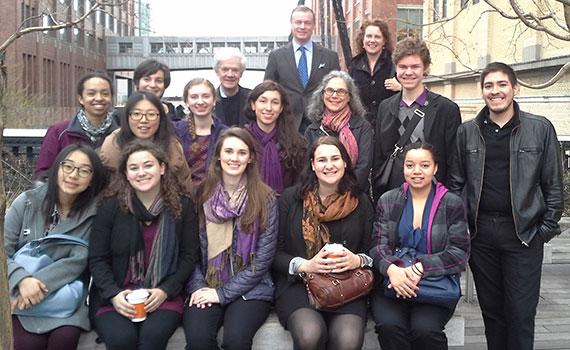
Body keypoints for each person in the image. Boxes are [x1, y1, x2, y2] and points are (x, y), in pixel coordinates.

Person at [448, 62, 563, 350]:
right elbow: (456, 184)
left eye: (501, 85)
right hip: (482, 235)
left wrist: (544, 230)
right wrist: (463, 227)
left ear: (515, 88)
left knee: (521, 315)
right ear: (482, 91)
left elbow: (553, 185)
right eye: (489, 86)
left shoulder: (539, 129)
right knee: (493, 315)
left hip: (523, 235)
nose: (495, 91)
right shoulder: (467, 132)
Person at [89, 140, 200, 350]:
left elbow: (188, 257)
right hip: (117, 296)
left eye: (148, 165)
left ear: (162, 168)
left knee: (152, 338)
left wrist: (165, 291)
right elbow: (97, 258)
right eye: (134, 168)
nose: (142, 173)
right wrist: (114, 295)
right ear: (126, 174)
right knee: (122, 340)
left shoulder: (182, 206)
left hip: (164, 295)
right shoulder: (111, 206)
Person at [273, 136, 374, 350]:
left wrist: (357, 259)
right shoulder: (291, 199)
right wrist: (306, 265)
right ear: (312, 164)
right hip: (299, 286)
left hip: (347, 286)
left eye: (335, 158)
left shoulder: (361, 201)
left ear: (345, 162)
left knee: (348, 341)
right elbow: (275, 253)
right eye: (321, 160)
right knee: (310, 335)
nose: (329, 165)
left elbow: (372, 250)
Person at [183, 128, 277, 350]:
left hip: (252, 289)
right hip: (207, 283)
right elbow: (190, 252)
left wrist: (223, 293)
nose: (234, 158)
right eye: (229, 151)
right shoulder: (200, 195)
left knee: (236, 341)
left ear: (250, 158)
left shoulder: (266, 198)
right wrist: (198, 287)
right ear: (218, 155)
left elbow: (263, 259)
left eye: (241, 153)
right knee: (198, 340)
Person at [6, 144, 107, 350]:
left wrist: (38, 284)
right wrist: (22, 280)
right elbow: (3, 250)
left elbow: (80, 259)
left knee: (64, 338)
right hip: (19, 296)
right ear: (56, 169)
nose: (73, 175)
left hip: (65, 298)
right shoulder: (26, 203)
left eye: (84, 170)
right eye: (68, 166)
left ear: (91, 180)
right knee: (25, 343)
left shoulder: (95, 215)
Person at [371, 142, 470, 350]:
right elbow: (377, 247)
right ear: (403, 167)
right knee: (389, 326)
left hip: (435, 283)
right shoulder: (388, 200)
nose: (416, 171)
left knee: (424, 330)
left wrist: (421, 267)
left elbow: (459, 253)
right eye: (410, 165)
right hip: (393, 281)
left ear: (435, 168)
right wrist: (392, 270)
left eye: (424, 165)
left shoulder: (451, 203)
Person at [372, 37, 461, 201]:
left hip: (434, 196)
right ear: (396, 69)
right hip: (394, 195)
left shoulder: (446, 109)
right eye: (403, 67)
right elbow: (379, 157)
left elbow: (454, 162)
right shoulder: (385, 107)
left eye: (415, 67)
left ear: (425, 69)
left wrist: (451, 201)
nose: (408, 72)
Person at [264, 5, 340, 132]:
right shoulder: (276, 56)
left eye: (307, 23)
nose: (302, 26)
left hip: (321, 125)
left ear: (313, 25)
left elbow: (337, 90)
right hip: (286, 124)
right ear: (291, 24)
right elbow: (267, 90)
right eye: (298, 22)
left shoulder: (330, 57)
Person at [100, 91, 193, 194]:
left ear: (160, 118)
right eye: (136, 114)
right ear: (127, 117)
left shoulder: (173, 146)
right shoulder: (112, 145)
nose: (143, 120)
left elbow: (185, 187)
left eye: (151, 114)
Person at [34, 72, 118, 179]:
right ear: (80, 98)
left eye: (105, 93)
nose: (99, 98)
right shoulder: (59, 131)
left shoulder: (120, 133)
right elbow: (43, 173)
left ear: (111, 98)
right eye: (91, 94)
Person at [304, 70, 372, 193]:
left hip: (354, 194)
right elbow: (309, 168)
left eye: (341, 91)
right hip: (320, 195)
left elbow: (364, 167)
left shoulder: (362, 127)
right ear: (322, 95)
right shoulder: (312, 130)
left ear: (349, 97)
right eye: (330, 91)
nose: (334, 96)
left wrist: (342, 193)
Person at [244, 80, 307, 195]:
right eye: (263, 101)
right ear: (253, 105)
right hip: (248, 206)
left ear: (281, 107)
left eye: (275, 102)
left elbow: (300, 182)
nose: (268, 108)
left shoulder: (296, 142)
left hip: (285, 207)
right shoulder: (242, 140)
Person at [174, 78, 227, 186]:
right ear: (186, 102)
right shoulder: (175, 131)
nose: (200, 101)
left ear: (214, 101)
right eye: (194, 97)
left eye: (206, 96)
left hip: (215, 196)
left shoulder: (225, 134)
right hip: (182, 196)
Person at [349, 19, 401, 125]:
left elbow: (415, 92)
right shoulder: (354, 65)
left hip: (389, 124)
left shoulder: (395, 63)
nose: (372, 40)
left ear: (384, 41)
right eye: (369, 36)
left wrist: (401, 88)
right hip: (361, 126)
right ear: (362, 40)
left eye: (377, 37)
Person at [114, 59, 179, 124]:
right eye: (147, 79)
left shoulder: (172, 113)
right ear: (137, 83)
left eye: (158, 81)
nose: (152, 85)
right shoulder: (120, 116)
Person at [213, 47, 251, 126]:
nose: (230, 75)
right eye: (225, 69)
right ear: (217, 72)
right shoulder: (208, 101)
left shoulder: (252, 98)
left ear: (241, 73)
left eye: (235, 70)